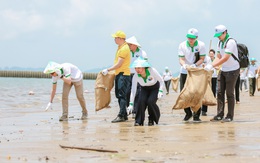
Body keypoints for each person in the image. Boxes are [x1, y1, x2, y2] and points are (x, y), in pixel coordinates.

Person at [204, 25, 240, 122]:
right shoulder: (219, 43)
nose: (218, 37)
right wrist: (210, 64)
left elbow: (225, 58)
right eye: (217, 35)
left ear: (225, 32)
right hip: (223, 70)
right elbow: (219, 57)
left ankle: (229, 116)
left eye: (220, 35)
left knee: (229, 93)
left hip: (233, 70)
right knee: (219, 92)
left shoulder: (231, 42)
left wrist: (212, 65)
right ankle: (219, 114)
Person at [102, 30, 131, 123]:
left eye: (116, 38)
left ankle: (121, 115)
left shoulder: (124, 49)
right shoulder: (120, 47)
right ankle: (124, 115)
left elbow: (119, 64)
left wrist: (108, 69)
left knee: (121, 95)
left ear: (120, 38)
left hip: (123, 74)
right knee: (119, 95)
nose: (114, 39)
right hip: (120, 73)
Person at [178, 28, 206, 122]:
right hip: (184, 71)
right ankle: (188, 112)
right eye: (189, 37)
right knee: (184, 93)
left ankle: (197, 115)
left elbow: (202, 58)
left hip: (196, 71)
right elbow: (181, 59)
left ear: (196, 38)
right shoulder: (182, 45)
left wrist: (195, 65)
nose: (190, 40)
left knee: (197, 93)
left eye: (192, 38)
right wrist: (184, 65)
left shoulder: (201, 45)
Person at [127, 58, 164, 126]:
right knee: (141, 101)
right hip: (144, 88)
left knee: (150, 102)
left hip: (154, 88)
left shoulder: (152, 71)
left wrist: (160, 91)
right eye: (136, 68)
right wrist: (131, 104)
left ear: (144, 67)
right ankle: (139, 121)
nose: (137, 70)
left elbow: (161, 80)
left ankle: (151, 119)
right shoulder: (135, 76)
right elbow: (133, 89)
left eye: (139, 68)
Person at [125, 36, 148, 119]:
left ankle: (135, 111)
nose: (128, 46)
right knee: (127, 92)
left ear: (134, 45)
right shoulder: (127, 53)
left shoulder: (142, 53)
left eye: (130, 45)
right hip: (128, 74)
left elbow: (145, 65)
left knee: (138, 93)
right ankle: (129, 108)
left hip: (138, 75)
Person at [201, 49, 218, 116]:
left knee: (213, 92)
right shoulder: (207, 59)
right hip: (207, 77)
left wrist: (214, 66)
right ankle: (204, 110)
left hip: (214, 76)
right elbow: (203, 65)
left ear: (214, 54)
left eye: (212, 54)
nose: (211, 55)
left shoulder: (216, 59)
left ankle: (213, 103)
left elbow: (218, 67)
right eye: (210, 54)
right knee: (206, 92)